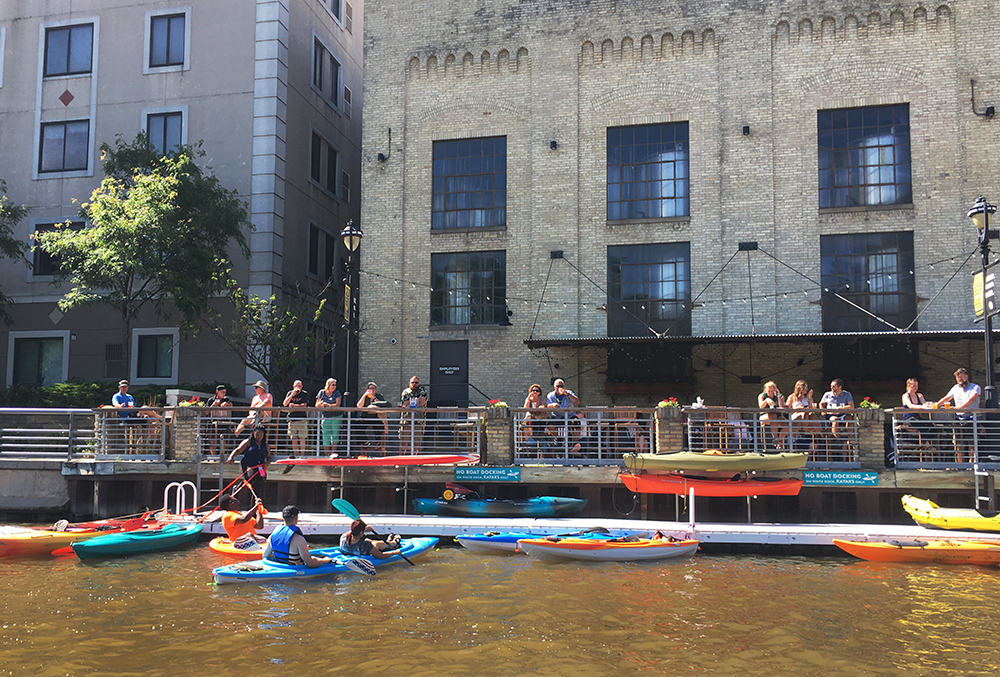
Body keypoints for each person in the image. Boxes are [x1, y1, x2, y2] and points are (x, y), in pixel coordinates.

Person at [937, 367, 982, 462]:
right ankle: (959, 463)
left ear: (967, 376)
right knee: (958, 442)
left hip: (971, 418)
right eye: (958, 378)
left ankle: (971, 463)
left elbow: (972, 399)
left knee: (971, 442)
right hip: (959, 418)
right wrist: (936, 405)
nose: (960, 380)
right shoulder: (955, 388)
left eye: (961, 377)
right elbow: (947, 398)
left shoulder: (975, 387)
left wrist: (961, 407)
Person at [264, 505, 332, 567]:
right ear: (296, 518)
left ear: (283, 518)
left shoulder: (272, 536)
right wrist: (325, 561)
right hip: (295, 570)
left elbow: (265, 556)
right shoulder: (299, 539)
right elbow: (311, 563)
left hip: (278, 566)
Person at [226, 421, 271, 501]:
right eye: (257, 434)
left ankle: (254, 508)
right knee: (251, 478)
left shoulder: (265, 445)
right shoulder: (248, 442)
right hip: (248, 464)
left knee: (259, 486)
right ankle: (237, 489)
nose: (259, 437)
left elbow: (269, 457)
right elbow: (238, 450)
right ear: (253, 433)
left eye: (261, 435)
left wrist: (267, 463)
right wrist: (231, 457)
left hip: (260, 467)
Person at [546, 378, 586, 453]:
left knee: (577, 423)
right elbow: (548, 406)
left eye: (561, 386)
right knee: (550, 424)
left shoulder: (568, 393)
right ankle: (559, 439)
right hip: (557, 416)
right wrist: (553, 405)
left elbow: (577, 402)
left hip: (569, 415)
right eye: (558, 386)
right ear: (554, 387)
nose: (559, 388)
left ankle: (574, 443)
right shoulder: (550, 395)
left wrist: (567, 394)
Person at [819, 378, 855, 452]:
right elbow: (821, 403)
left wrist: (839, 409)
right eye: (831, 386)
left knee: (849, 417)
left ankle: (850, 439)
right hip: (830, 414)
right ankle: (838, 441)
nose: (831, 388)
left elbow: (851, 406)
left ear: (840, 387)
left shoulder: (847, 394)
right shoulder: (827, 394)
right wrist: (823, 412)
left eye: (833, 386)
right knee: (835, 420)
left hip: (842, 413)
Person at [786, 380, 820, 451]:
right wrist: (798, 408)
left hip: (806, 418)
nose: (807, 389)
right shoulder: (792, 397)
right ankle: (804, 430)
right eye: (805, 387)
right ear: (800, 387)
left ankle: (819, 432)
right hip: (795, 416)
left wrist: (810, 398)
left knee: (811, 414)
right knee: (804, 412)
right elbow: (787, 409)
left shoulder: (807, 397)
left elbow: (811, 408)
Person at [356, 382, 389, 451]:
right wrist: (364, 396)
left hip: (375, 416)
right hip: (365, 417)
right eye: (370, 388)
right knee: (357, 424)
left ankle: (378, 442)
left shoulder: (379, 396)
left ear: (375, 389)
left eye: (373, 388)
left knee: (379, 425)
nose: (371, 390)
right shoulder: (365, 397)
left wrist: (373, 397)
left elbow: (382, 404)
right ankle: (365, 441)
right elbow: (359, 406)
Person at [399, 376, 427, 454]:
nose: (414, 384)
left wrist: (412, 402)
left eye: (416, 382)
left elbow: (422, 403)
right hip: (406, 421)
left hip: (419, 421)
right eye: (412, 382)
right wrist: (417, 400)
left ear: (419, 383)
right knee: (403, 443)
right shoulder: (406, 392)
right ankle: (401, 461)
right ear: (409, 383)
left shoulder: (423, 392)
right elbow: (406, 403)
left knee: (416, 443)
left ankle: (415, 460)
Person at [315, 378, 343, 455]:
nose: (334, 386)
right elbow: (316, 405)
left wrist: (328, 405)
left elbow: (338, 404)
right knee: (325, 436)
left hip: (336, 416)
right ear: (328, 385)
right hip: (325, 417)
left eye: (335, 385)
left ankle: (333, 453)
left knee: (335, 435)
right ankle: (326, 454)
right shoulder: (322, 392)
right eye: (332, 385)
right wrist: (321, 404)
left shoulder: (337, 392)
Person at [283, 379, 311, 455]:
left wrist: (294, 405)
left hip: (301, 419)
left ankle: (302, 455)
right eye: (296, 386)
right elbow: (285, 404)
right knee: (294, 439)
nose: (297, 387)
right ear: (293, 386)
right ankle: (296, 454)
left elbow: (304, 405)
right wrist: (292, 394)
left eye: (299, 386)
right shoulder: (289, 393)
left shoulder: (304, 394)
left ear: (302, 386)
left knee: (302, 438)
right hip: (291, 419)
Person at [757, 381, 787, 449]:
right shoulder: (762, 396)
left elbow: (781, 406)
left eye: (772, 390)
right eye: (768, 391)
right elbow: (761, 406)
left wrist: (778, 395)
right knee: (773, 415)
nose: (770, 392)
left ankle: (779, 440)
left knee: (787, 424)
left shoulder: (779, 396)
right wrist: (766, 400)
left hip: (777, 417)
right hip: (765, 417)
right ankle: (775, 438)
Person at [111, 379, 138, 453]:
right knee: (145, 409)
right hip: (126, 417)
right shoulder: (116, 396)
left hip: (134, 415)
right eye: (122, 387)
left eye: (125, 387)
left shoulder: (130, 396)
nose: (124, 388)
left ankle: (157, 419)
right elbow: (115, 405)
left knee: (147, 416)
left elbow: (134, 407)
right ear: (119, 387)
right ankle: (160, 418)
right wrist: (121, 406)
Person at [206, 385, 233, 456]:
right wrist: (212, 405)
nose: (224, 394)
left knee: (223, 440)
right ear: (217, 392)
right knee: (212, 441)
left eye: (225, 392)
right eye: (222, 392)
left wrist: (226, 404)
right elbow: (206, 412)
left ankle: (222, 456)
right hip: (212, 422)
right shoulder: (211, 400)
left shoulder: (226, 399)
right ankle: (213, 457)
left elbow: (231, 405)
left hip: (223, 423)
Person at [521, 383, 548, 453]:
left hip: (539, 417)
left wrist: (536, 410)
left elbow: (542, 408)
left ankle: (538, 440)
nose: (535, 392)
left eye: (537, 390)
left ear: (539, 392)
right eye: (533, 390)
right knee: (527, 420)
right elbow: (525, 408)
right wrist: (528, 397)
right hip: (530, 416)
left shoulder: (541, 400)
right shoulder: (529, 400)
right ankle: (529, 440)